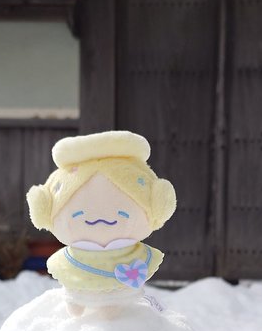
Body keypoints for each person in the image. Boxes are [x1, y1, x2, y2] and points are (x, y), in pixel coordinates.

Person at [27, 130, 176, 314]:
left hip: (123, 281)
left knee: (113, 308)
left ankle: (105, 306)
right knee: (76, 299)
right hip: (78, 268)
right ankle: (77, 303)